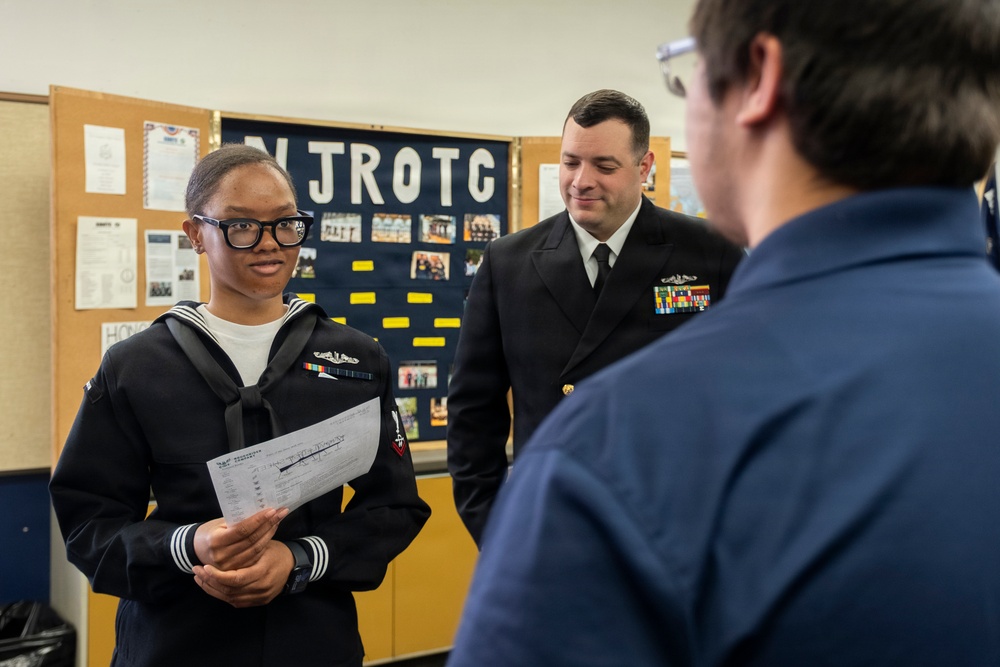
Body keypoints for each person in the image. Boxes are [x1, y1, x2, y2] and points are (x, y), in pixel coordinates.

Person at [447, 0, 1000, 664]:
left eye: (689, 71)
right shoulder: (515, 267)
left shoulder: (612, 452)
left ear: (759, 78)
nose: (581, 180)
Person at [50, 144, 430, 667]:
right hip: (175, 643)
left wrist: (299, 557)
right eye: (241, 226)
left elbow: (394, 506)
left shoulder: (356, 358)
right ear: (195, 235)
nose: (269, 244)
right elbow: (89, 523)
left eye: (285, 224)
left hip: (314, 642)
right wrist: (188, 546)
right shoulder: (135, 367)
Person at [447, 89, 743, 546]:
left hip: (677, 529)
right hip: (550, 527)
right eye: (570, 163)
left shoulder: (711, 252)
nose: (581, 181)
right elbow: (473, 413)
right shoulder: (509, 262)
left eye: (604, 166)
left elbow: (744, 396)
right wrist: (494, 529)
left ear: (644, 169)